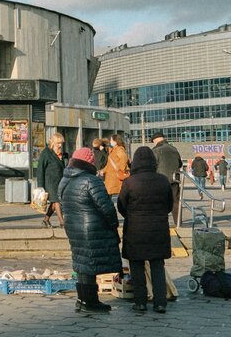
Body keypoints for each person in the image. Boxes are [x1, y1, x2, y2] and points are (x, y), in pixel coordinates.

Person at [58, 146, 121, 314]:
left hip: (72, 227)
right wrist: (114, 225)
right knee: (90, 263)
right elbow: (106, 207)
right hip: (90, 228)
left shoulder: (65, 179)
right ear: (90, 162)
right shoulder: (91, 180)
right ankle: (91, 302)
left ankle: (82, 300)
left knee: (81, 262)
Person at [118, 145, 175, 314]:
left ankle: (140, 302)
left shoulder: (129, 182)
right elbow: (169, 205)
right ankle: (160, 303)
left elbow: (121, 206)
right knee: (157, 266)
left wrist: (132, 214)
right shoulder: (163, 180)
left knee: (136, 266)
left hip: (135, 230)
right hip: (158, 229)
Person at [151, 132, 183, 227]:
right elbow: (180, 163)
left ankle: (162, 223)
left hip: (161, 180)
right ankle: (178, 223)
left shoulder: (156, 150)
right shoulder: (174, 149)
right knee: (175, 202)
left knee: (161, 202)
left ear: (155, 140)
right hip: (175, 180)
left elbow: (152, 165)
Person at [37, 133, 66, 228]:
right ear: (53, 142)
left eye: (61, 143)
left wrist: (62, 159)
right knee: (56, 201)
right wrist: (40, 185)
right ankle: (62, 222)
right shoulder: (46, 153)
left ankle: (46, 220)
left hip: (59, 181)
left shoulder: (61, 153)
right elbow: (40, 169)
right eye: (58, 143)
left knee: (54, 203)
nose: (60, 145)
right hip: (49, 182)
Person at [100, 134, 130, 206]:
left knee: (112, 193)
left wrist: (119, 169)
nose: (110, 142)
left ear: (115, 141)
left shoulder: (119, 149)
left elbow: (124, 159)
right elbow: (109, 164)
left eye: (111, 140)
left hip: (115, 176)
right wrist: (103, 170)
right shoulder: (114, 150)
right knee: (109, 193)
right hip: (111, 176)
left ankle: (110, 208)